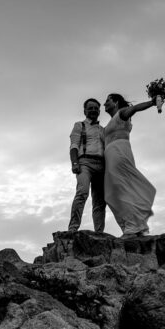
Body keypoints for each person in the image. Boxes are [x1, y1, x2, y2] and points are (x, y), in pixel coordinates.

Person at [102, 93, 157, 238]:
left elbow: (136, 108)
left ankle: (132, 228)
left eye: (107, 101)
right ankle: (131, 225)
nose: (104, 104)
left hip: (119, 152)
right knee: (111, 193)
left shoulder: (121, 114)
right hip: (111, 154)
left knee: (122, 188)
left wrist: (152, 102)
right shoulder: (111, 121)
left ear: (115, 102)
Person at [68, 98, 106, 232]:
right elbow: (73, 146)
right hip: (84, 163)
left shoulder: (103, 129)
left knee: (100, 201)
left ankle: (99, 232)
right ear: (85, 111)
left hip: (101, 165)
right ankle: (73, 228)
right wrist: (74, 163)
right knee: (82, 193)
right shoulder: (79, 125)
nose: (94, 110)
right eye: (90, 108)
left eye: (96, 108)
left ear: (99, 111)